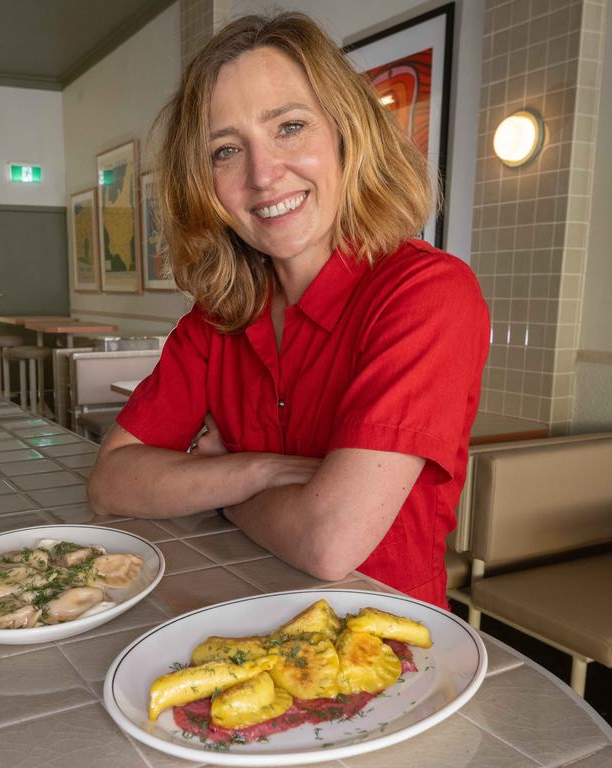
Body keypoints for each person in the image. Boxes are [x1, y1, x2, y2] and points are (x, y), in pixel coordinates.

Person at [88, 12, 489, 608]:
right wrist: (262, 474)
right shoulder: (216, 316)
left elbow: (329, 541)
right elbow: (111, 483)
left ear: (346, 135)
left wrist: (211, 487)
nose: (263, 174)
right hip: (237, 616)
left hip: (384, 644)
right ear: (205, 184)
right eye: (226, 150)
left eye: (290, 127)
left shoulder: (427, 294)